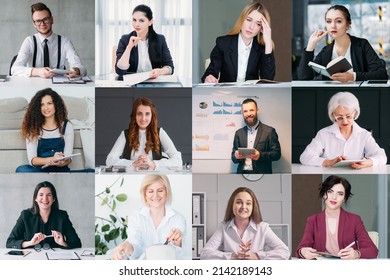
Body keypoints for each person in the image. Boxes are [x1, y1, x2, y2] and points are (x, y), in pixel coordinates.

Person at [298, 5, 388, 82]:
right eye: (328, 21)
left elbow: (381, 74)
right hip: (330, 97)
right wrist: (311, 45)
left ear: (348, 25)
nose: (333, 25)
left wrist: (353, 76)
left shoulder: (362, 45)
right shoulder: (326, 50)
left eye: (338, 21)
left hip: (360, 96)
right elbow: (304, 77)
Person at [296, 175, 378, 259]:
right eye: (330, 192)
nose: (334, 197)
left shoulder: (354, 220)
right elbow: (301, 248)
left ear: (345, 198)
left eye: (340, 194)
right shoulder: (313, 220)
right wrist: (303, 252)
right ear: (324, 194)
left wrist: (356, 254)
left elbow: (373, 250)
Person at [300, 91, 387, 169]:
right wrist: (328, 162)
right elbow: (305, 157)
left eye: (348, 116)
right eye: (340, 117)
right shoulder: (323, 134)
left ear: (355, 113)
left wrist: (369, 162)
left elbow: (382, 157)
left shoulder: (364, 134)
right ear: (333, 115)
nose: (345, 121)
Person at [200, 187, 290, 260]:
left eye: (248, 203)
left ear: (253, 207)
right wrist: (232, 256)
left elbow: (285, 251)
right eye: (239, 202)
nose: (244, 207)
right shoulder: (223, 227)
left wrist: (257, 256)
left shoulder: (263, 228)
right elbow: (205, 254)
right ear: (232, 205)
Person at [112, 175, 186, 260]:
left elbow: (179, 255)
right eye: (151, 191)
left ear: (167, 193)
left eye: (160, 191)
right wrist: (127, 246)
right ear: (145, 195)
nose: (155, 195)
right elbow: (135, 241)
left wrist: (177, 241)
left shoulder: (179, 219)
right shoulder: (136, 217)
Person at [201, 2, 275, 83]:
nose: (252, 27)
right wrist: (209, 78)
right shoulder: (223, 43)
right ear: (242, 19)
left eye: (258, 24)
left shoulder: (262, 48)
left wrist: (268, 42)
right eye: (249, 20)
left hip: (251, 94)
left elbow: (268, 80)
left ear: (262, 28)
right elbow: (210, 73)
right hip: (226, 94)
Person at [11, 2, 86, 78]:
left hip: (59, 87)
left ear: (52, 20)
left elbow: (81, 68)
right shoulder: (29, 41)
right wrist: (38, 71)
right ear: (34, 24)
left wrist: (75, 70)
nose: (42, 24)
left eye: (45, 19)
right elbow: (14, 69)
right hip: (33, 86)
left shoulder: (64, 42)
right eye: (38, 21)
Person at [106, 98, 182, 170]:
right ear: (134, 116)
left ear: (152, 116)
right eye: (139, 114)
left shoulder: (160, 133)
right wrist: (133, 163)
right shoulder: (125, 134)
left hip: (154, 176)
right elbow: (110, 160)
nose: (143, 118)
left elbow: (178, 161)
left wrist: (153, 164)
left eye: (147, 114)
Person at [6, 181, 81, 250]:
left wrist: (62, 243)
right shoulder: (25, 215)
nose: (45, 199)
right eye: (41, 195)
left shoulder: (62, 216)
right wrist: (30, 243)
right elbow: (10, 242)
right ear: (35, 198)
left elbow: (77, 243)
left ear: (54, 199)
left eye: (49, 195)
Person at [15, 88, 75, 173]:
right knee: (21, 169)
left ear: (56, 105)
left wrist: (63, 162)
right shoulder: (33, 127)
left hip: (61, 171)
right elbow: (32, 160)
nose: (45, 108)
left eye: (49, 103)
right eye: (41, 105)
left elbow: (69, 157)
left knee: (91, 171)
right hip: (40, 171)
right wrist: (51, 159)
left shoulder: (66, 126)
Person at [115, 4, 174, 78]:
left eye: (141, 21)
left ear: (150, 22)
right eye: (134, 20)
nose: (137, 24)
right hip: (132, 84)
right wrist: (129, 47)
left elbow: (170, 67)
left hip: (153, 83)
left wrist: (159, 71)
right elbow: (119, 71)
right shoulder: (125, 39)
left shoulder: (160, 39)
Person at [231, 98, 281, 174]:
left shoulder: (269, 131)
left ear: (257, 111)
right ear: (242, 113)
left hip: (262, 174)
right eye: (245, 111)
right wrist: (236, 156)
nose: (248, 114)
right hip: (241, 174)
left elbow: (277, 154)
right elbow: (233, 158)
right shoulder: (238, 133)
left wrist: (260, 155)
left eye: (251, 110)